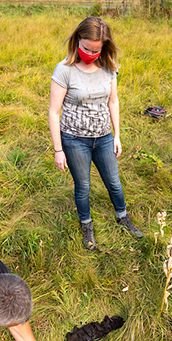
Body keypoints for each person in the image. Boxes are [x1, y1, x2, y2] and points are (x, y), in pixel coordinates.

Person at [48, 17, 142, 251]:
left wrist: (117, 135)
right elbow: (53, 112)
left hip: (103, 137)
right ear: (77, 40)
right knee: (84, 186)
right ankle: (86, 225)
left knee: (114, 182)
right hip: (73, 139)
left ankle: (123, 217)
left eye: (96, 50)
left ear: (104, 47)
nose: (90, 53)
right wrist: (58, 149)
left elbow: (113, 102)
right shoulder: (64, 70)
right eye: (86, 48)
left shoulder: (109, 67)